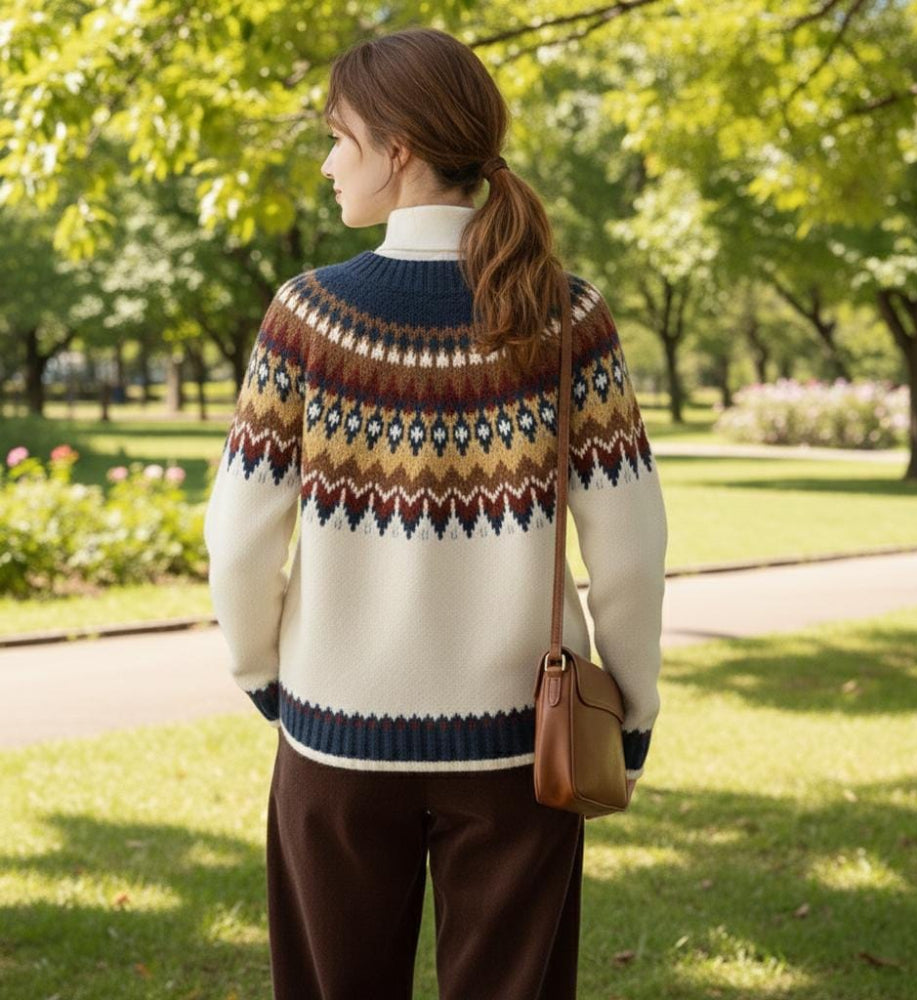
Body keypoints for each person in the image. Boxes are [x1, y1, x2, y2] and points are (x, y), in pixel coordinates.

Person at [203, 25, 668, 1000]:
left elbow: (241, 539)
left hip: (333, 734)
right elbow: (627, 551)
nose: (330, 164)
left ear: (399, 146)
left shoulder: (307, 317)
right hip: (517, 747)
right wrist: (628, 708)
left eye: (339, 137)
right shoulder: (567, 318)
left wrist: (264, 678)